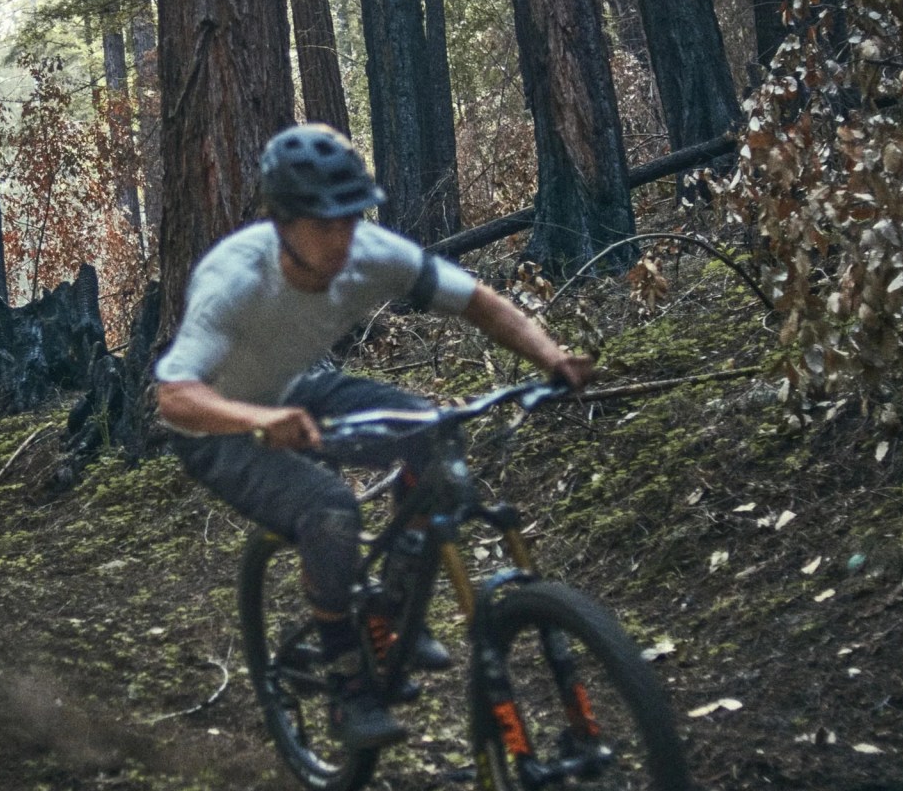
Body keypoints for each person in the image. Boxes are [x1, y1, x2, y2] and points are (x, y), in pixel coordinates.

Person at [154, 124, 593, 751]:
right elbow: (174, 394)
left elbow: (480, 303)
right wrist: (256, 422)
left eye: (351, 218)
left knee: (429, 431)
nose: (342, 237)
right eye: (323, 223)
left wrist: (553, 358)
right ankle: (349, 688)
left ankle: (394, 607)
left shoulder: (373, 253)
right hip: (215, 427)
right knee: (328, 510)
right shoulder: (235, 279)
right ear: (281, 221)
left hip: (295, 388)